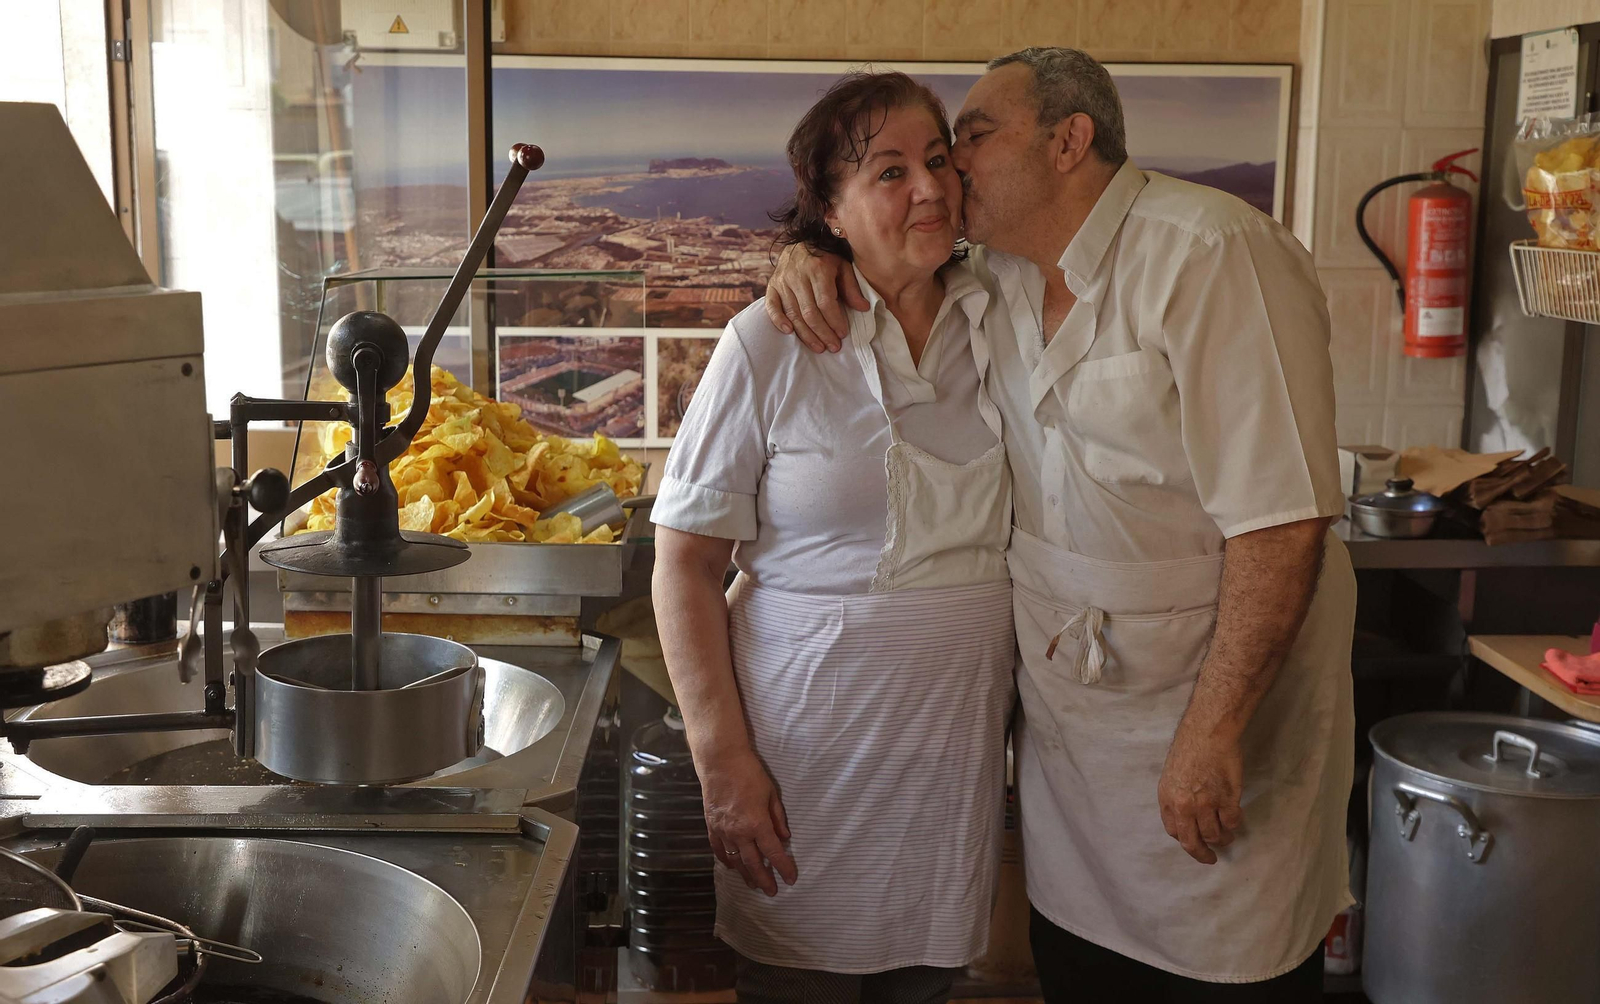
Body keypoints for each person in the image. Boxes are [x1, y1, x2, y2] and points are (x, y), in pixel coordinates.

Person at [765, 47, 1356, 1003]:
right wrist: (809, 256)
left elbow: (1282, 525)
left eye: (972, 137)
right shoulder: (994, 272)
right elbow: (884, 259)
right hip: (1073, 739)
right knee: (1080, 965)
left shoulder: (1211, 254)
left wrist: (1211, 734)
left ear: (1069, 141)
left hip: (1209, 711)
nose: (951, 166)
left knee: (1223, 969)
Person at [650, 71, 1016, 1004]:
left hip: (949, 766)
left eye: (938, 160)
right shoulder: (768, 342)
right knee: (797, 980)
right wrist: (723, 766)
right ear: (829, 212)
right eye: (889, 172)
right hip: (802, 768)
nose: (929, 188)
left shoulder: (1005, 316)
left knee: (928, 983)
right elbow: (684, 566)